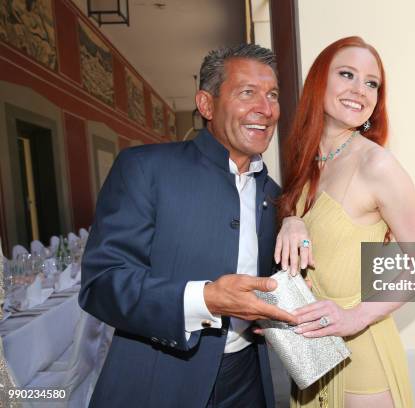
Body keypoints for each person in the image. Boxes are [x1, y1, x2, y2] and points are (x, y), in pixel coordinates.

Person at [79, 43, 297, 408]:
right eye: (247, 93)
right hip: (160, 381)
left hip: (250, 380)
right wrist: (205, 299)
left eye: (272, 95)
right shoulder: (145, 169)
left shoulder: (273, 195)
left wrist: (296, 218)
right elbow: (102, 283)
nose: (266, 109)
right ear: (206, 104)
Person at [276, 37, 415, 408]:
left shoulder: (376, 165)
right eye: (347, 74)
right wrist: (290, 220)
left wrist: (355, 317)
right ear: (319, 81)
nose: (359, 90)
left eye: (371, 83)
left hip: (363, 360)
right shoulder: (306, 161)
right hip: (312, 357)